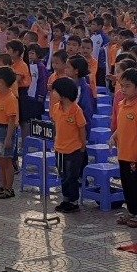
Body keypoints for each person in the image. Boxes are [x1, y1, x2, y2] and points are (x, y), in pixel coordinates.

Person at [107, 68, 137, 225]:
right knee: (127, 185)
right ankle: (131, 211)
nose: (123, 89)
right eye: (122, 86)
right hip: (123, 153)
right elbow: (122, 127)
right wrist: (114, 136)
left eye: (128, 86)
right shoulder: (121, 104)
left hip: (136, 154)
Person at [50, 76, 88, 214]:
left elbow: (82, 128)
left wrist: (83, 145)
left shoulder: (76, 110)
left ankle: (73, 201)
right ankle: (66, 199)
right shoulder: (56, 108)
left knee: (72, 176)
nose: (52, 93)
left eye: (55, 90)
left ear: (64, 93)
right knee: (63, 174)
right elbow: (55, 125)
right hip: (59, 149)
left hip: (74, 149)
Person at [0, 66, 19, 199]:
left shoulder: (10, 98)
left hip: (5, 130)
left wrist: (8, 138)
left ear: (1, 82)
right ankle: (2, 185)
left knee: (6, 161)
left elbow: (12, 120)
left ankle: (9, 188)